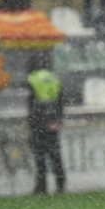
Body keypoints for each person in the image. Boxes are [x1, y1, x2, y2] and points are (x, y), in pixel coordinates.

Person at [26, 56, 66, 194]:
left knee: (40, 156)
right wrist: (58, 119)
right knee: (55, 155)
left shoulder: (32, 79)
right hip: (53, 118)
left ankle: (41, 187)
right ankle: (60, 185)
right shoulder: (54, 78)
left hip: (38, 120)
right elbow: (61, 101)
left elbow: (30, 102)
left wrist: (32, 122)